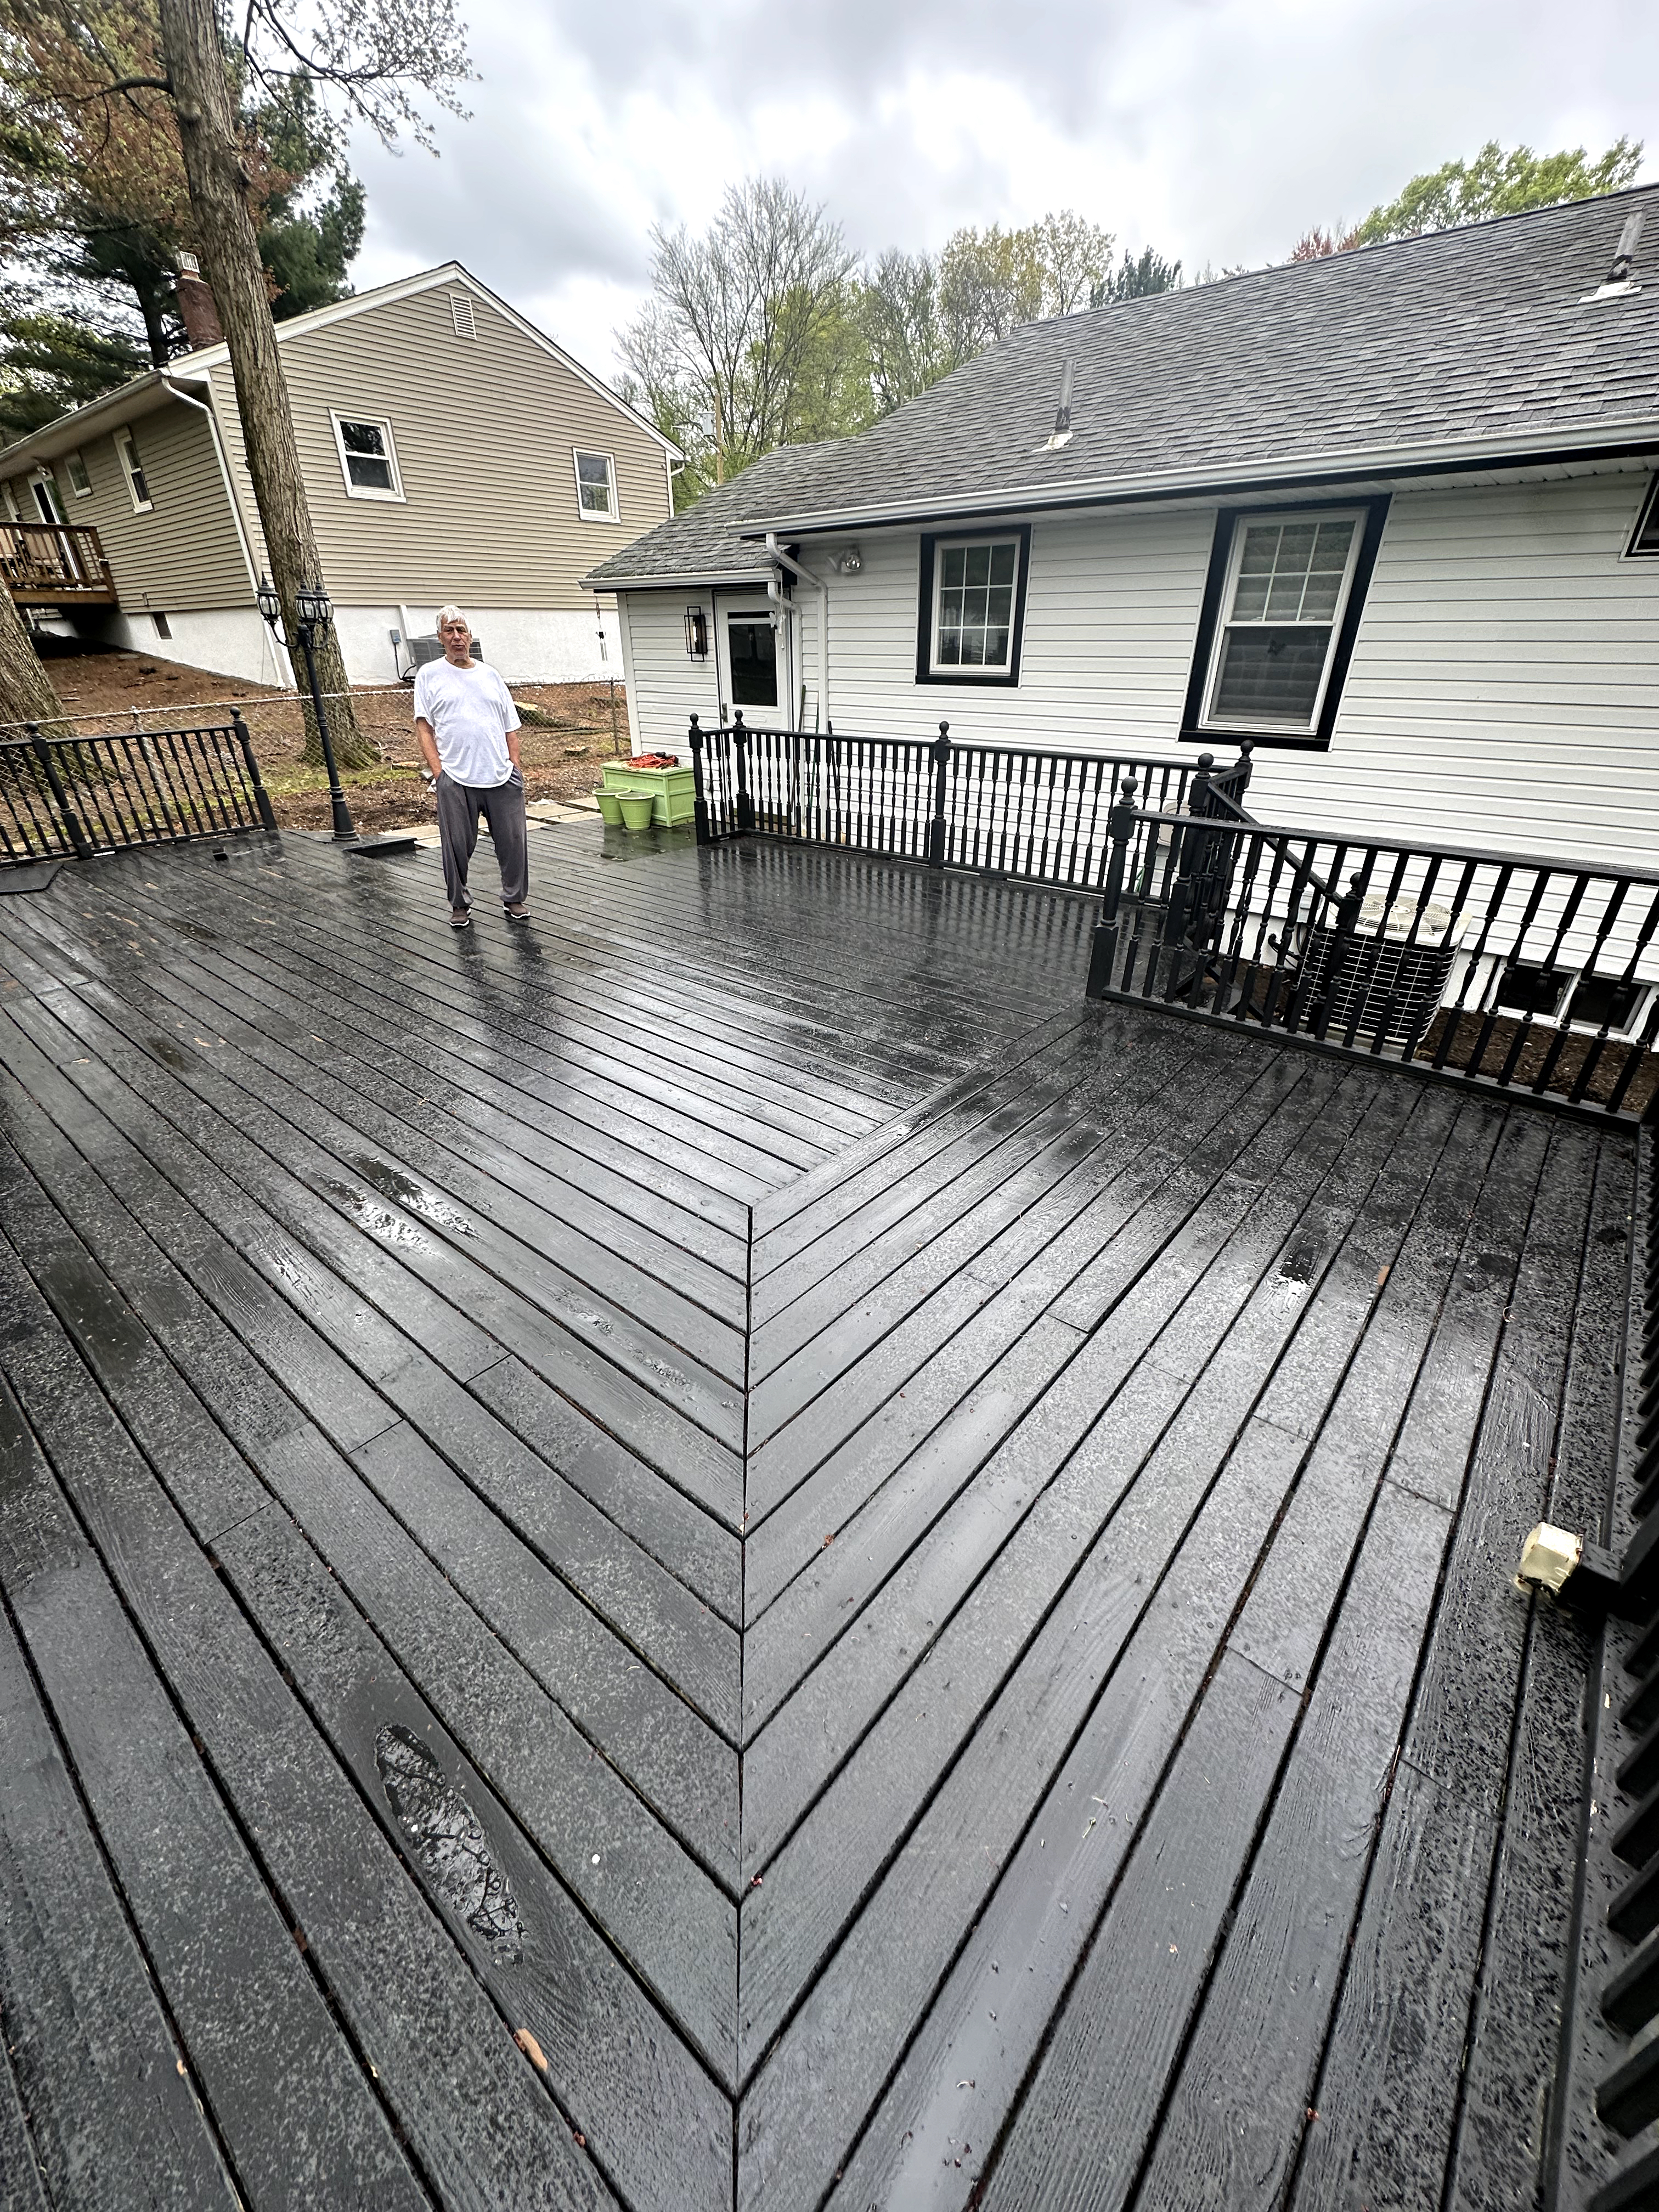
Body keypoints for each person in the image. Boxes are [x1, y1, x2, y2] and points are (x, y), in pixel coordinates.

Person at [413, 605, 529, 927]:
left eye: (461, 630)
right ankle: (459, 904)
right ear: (440, 638)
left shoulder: (490, 675)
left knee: (514, 842)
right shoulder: (430, 675)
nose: (456, 637)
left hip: (501, 775)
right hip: (456, 777)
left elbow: (510, 726)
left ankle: (514, 898)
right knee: (456, 846)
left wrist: (514, 766)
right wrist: (439, 773)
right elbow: (424, 727)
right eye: (449, 631)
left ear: (470, 636)